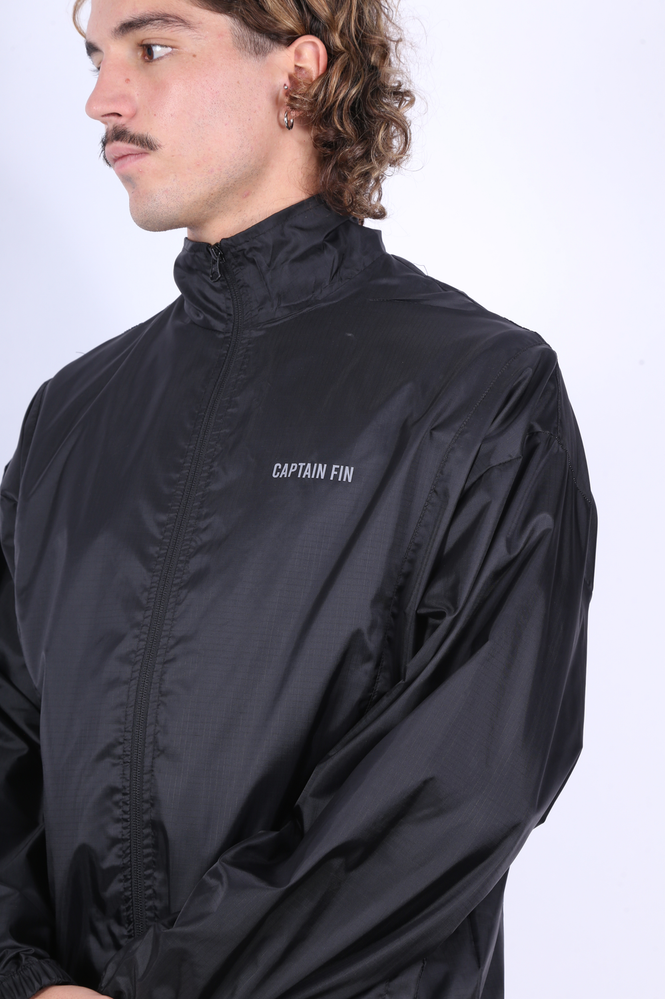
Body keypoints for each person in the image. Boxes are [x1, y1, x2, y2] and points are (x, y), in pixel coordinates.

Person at [0, 1, 597, 998]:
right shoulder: (74, 412)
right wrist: (23, 974)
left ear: (300, 70)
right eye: (94, 57)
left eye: (154, 47)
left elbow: (462, 782)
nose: (103, 98)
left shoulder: (476, 390)